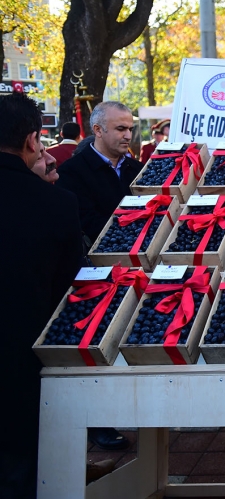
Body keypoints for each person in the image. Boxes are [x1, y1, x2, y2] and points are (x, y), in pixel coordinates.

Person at [0, 93, 83, 498]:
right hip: (21, 350)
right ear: (32, 139)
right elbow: (69, 285)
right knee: (19, 463)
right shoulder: (57, 204)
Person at [57, 101, 143, 245]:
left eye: (130, 129)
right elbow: (84, 221)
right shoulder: (71, 171)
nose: (128, 136)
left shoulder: (139, 169)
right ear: (98, 130)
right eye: (121, 129)